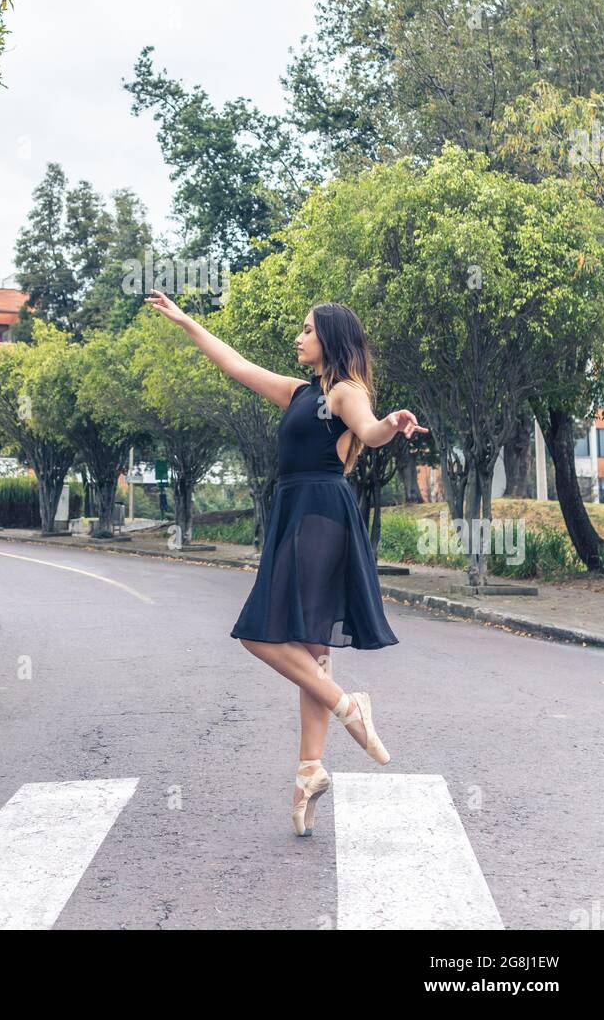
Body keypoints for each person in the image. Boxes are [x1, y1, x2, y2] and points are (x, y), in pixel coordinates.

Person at [144, 290, 428, 837]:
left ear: (330, 340)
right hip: (296, 511)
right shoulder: (301, 392)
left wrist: (392, 423)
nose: (298, 338)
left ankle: (350, 708)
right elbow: (234, 363)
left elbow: (368, 430)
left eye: (306, 330)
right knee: (312, 645)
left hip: (320, 512)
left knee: (260, 633)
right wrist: (186, 322)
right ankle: (309, 772)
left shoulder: (346, 392)